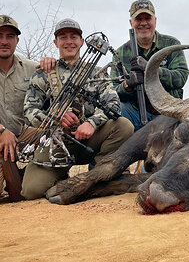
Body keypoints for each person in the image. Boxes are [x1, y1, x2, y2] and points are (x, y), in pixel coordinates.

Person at [21, 18, 134, 200]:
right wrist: (54, 117)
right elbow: (29, 110)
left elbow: (113, 105)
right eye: (63, 37)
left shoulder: (97, 72)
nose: (69, 42)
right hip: (57, 142)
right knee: (31, 191)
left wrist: (91, 122)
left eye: (74, 37)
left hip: (90, 139)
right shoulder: (43, 73)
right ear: (55, 42)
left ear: (82, 41)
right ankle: (61, 175)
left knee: (123, 125)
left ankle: (100, 171)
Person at [110, 0, 189, 131]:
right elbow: (113, 92)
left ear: (155, 20)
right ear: (131, 23)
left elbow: (181, 77)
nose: (143, 23)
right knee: (116, 111)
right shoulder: (120, 53)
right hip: (134, 113)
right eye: (138, 19)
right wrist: (127, 86)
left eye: (148, 18)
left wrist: (150, 69)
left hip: (168, 111)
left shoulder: (171, 44)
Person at [0, 15, 54, 200]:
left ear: (17, 40)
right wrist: (1, 131)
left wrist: (51, 64)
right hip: (2, 135)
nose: (4, 42)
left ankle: (52, 179)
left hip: (21, 134)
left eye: (9, 36)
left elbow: (53, 83)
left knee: (55, 135)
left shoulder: (31, 68)